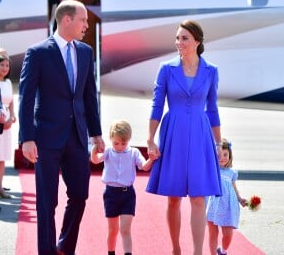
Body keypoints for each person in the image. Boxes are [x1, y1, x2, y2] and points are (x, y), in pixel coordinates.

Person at [18, 0, 105, 255]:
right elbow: (27, 97)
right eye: (83, 20)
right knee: (47, 201)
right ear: (66, 19)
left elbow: (89, 96)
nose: (87, 26)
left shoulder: (86, 52)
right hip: (45, 138)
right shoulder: (38, 53)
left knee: (80, 194)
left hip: (77, 136)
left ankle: (65, 246)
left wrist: (96, 132)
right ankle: (46, 251)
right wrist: (27, 138)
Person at [146, 19, 223, 255]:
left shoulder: (211, 71)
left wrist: (219, 143)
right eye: (177, 38)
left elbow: (212, 108)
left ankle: (197, 252)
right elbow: (157, 105)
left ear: (197, 42)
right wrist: (150, 138)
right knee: (174, 198)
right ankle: (176, 248)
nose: (179, 42)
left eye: (184, 38)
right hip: (174, 133)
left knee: (199, 197)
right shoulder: (166, 68)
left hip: (200, 134)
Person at [91, 120, 157, 255]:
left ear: (128, 140)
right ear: (111, 139)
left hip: (128, 195)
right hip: (110, 194)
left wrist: (151, 159)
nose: (119, 146)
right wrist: (93, 151)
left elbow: (144, 167)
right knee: (113, 230)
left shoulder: (134, 152)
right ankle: (111, 252)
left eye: (123, 143)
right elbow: (96, 160)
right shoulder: (108, 151)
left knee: (125, 229)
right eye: (116, 143)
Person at [206, 138, 247, 255]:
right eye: (218, 154)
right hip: (213, 204)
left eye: (225, 154)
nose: (221, 157)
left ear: (230, 155)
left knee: (228, 234)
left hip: (229, 207)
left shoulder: (232, 172)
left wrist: (240, 199)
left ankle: (223, 251)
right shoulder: (212, 170)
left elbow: (234, 188)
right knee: (213, 233)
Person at [0, 50, 16, 199]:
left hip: (7, 121)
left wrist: (12, 117)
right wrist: (1, 119)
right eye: (2, 65)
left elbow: (12, 102)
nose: (4, 68)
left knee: (2, 155)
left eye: (7, 65)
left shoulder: (8, 82)